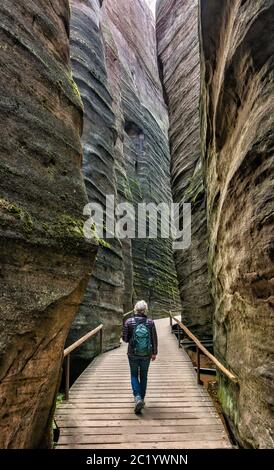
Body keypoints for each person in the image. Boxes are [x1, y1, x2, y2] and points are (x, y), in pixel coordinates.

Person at [123, 300, 158, 414]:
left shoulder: (129, 321)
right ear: (145, 310)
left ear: (135, 309)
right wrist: (154, 353)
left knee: (134, 374)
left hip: (132, 353)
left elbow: (125, 339)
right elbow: (154, 338)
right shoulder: (150, 322)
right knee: (144, 376)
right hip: (146, 354)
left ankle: (137, 398)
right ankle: (141, 399)